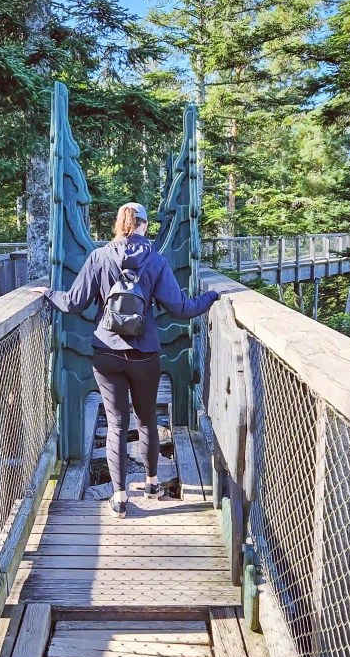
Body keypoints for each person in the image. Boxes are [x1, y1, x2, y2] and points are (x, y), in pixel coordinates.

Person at [33, 202, 219, 517]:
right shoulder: (156, 262)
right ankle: (151, 482)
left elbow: (73, 304)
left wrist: (49, 293)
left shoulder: (99, 257)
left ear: (119, 225)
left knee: (117, 423)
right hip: (145, 354)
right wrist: (212, 297)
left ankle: (120, 496)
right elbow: (181, 309)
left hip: (106, 352)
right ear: (145, 225)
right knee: (146, 420)